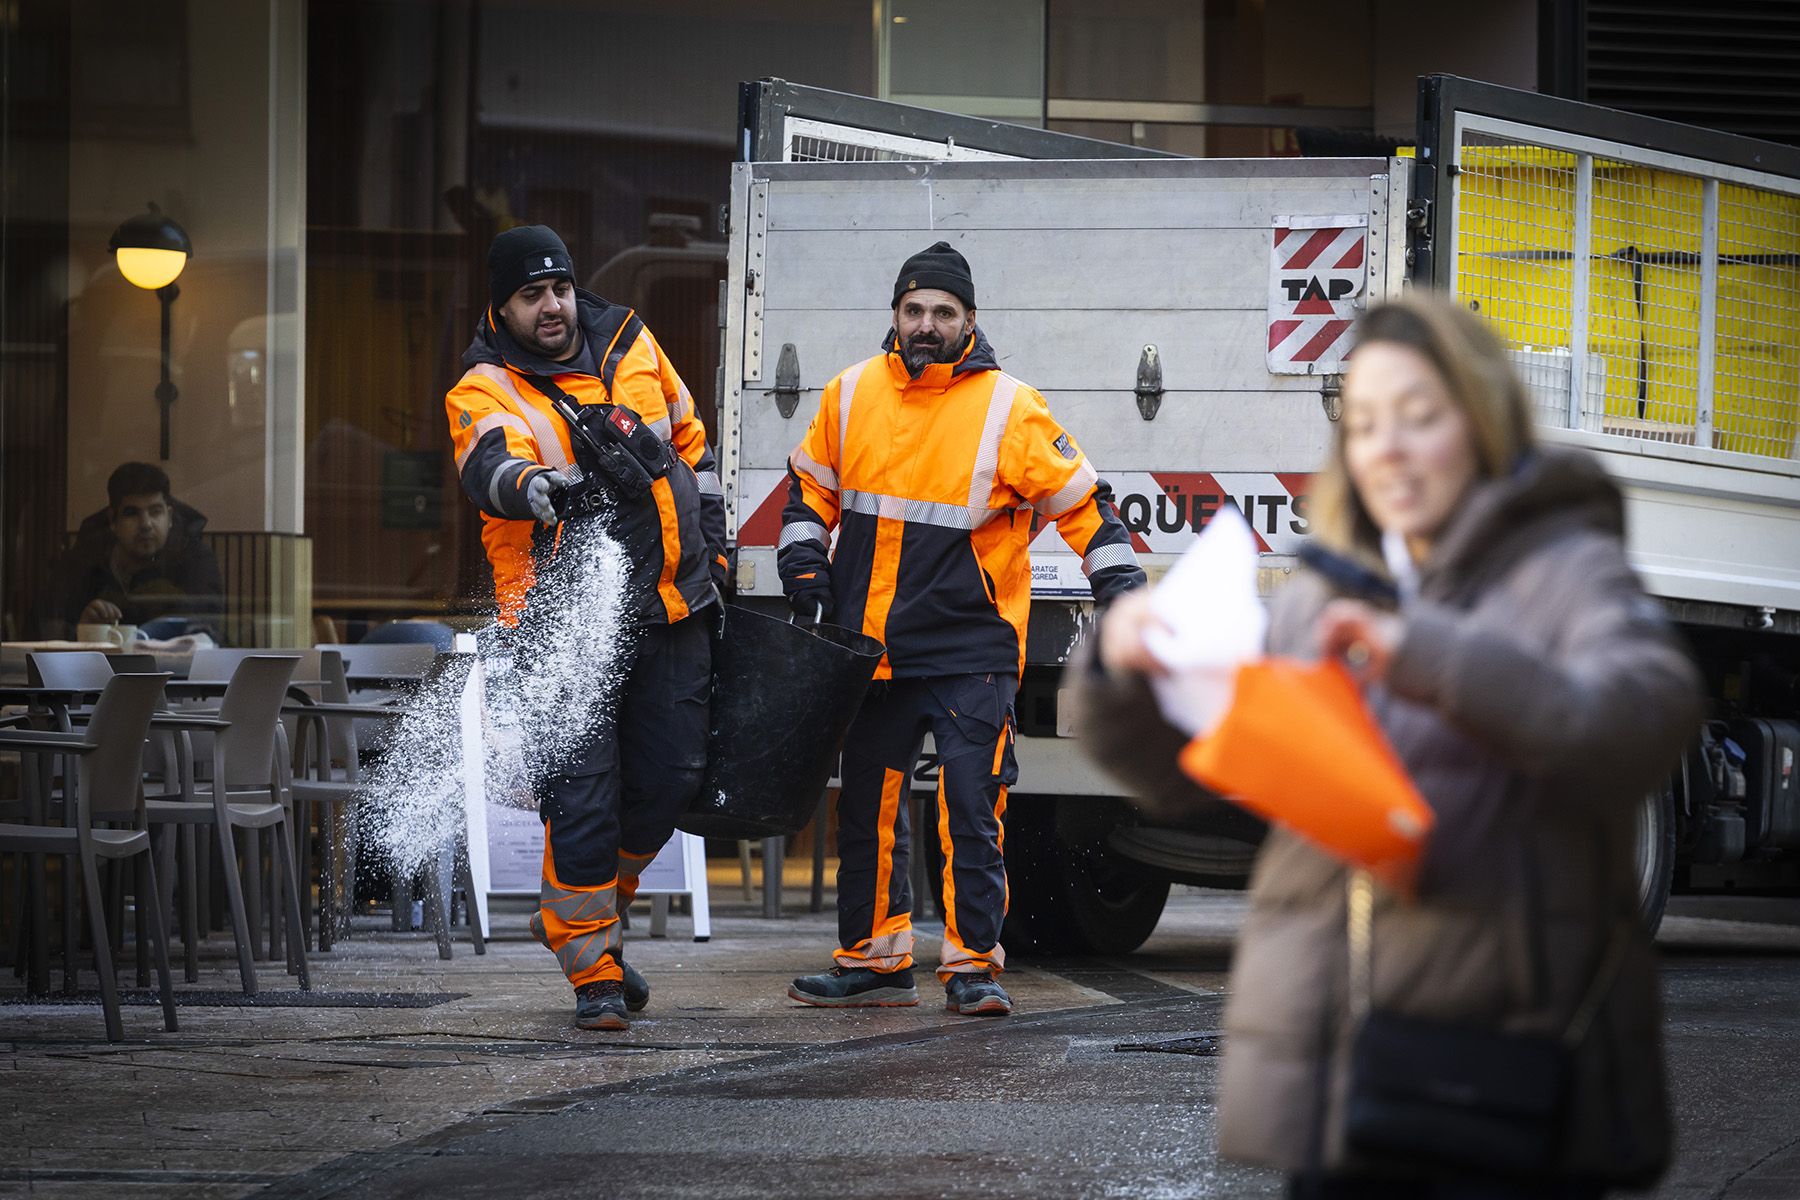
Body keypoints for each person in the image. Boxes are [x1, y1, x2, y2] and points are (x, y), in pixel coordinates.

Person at [1071, 296, 1702, 1197]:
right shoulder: (1319, 592)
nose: (1388, 450)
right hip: (1338, 1079)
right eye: (1364, 424)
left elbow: (1642, 718)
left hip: (1501, 1075)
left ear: (1481, 416)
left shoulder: (1563, 567)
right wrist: (1123, 671)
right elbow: (1176, 776)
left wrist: (1434, 655)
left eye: (1419, 417)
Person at [779, 241, 1145, 1016]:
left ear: (970, 321)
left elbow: (1082, 503)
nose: (926, 325)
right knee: (867, 813)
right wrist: (805, 570)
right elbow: (810, 491)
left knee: (970, 809)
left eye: (943, 313)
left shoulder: (1011, 407)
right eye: (914, 310)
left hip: (970, 646)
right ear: (895, 316)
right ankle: (873, 961)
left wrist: (1116, 580)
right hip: (871, 647)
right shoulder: (850, 394)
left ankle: (972, 963)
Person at [445, 224, 725, 1032]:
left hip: (671, 604)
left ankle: (588, 908)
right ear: (502, 307)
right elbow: (486, 465)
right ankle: (592, 964)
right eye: (532, 296)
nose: (552, 306)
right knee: (583, 800)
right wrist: (534, 487)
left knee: (673, 778)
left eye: (560, 288)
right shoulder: (484, 384)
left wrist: (714, 539)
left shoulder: (633, 339)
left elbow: (689, 442)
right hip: (560, 627)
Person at [41, 462, 224, 640]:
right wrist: (85, 632)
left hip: (174, 669)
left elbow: (204, 629)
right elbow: (50, 632)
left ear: (169, 517)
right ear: (113, 520)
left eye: (155, 511)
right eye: (132, 513)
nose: (145, 524)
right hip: (98, 669)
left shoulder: (195, 560)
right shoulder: (84, 562)